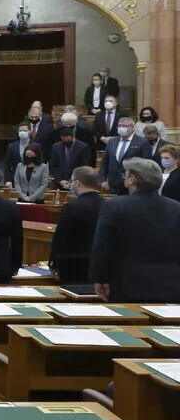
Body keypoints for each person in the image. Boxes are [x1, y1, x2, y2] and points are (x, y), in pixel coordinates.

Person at [91, 158, 180, 303]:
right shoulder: (177, 208)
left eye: (125, 175)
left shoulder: (114, 206)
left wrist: (100, 278)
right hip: (172, 284)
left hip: (128, 284)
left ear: (132, 179)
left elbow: (102, 246)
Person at [48, 166, 103, 285]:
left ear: (78, 183)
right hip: (100, 264)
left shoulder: (71, 207)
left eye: (72, 181)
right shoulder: (108, 206)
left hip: (73, 264)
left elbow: (61, 238)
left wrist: (53, 264)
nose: (71, 184)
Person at [100, 116, 145, 195]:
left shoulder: (142, 142)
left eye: (124, 126)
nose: (121, 128)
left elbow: (145, 163)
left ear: (132, 128)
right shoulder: (112, 141)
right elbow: (105, 162)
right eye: (119, 126)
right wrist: (103, 180)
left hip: (132, 183)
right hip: (113, 183)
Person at [49, 125, 94, 192]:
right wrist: (60, 180)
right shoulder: (56, 147)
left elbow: (85, 166)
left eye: (67, 141)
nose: (65, 143)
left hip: (78, 183)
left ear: (73, 137)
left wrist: (73, 181)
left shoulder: (83, 147)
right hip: (61, 182)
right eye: (63, 141)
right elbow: (54, 165)